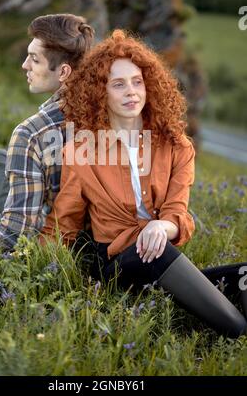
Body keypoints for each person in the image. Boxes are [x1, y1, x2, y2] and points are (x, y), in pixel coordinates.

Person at [42, 29, 247, 338]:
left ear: (149, 86)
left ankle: (196, 305)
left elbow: (178, 213)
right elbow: (63, 224)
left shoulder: (177, 146)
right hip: (115, 266)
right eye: (118, 84)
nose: (131, 92)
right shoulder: (81, 152)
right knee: (153, 251)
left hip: (160, 253)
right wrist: (39, 273)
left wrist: (161, 227)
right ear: (100, 92)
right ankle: (238, 332)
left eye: (137, 82)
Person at [0, 14, 94, 251]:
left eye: (34, 59)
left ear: (63, 72)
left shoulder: (31, 133)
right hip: (102, 235)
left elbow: (15, 232)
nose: (24, 65)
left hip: (54, 241)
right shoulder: (108, 113)